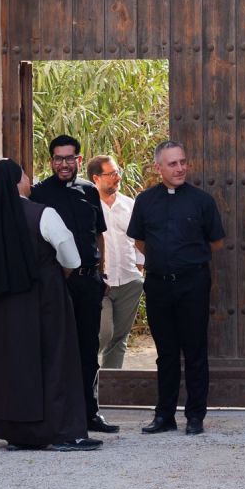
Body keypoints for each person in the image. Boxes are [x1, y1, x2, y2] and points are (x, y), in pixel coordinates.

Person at [0, 159, 102, 451]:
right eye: (24, 174)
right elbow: (72, 258)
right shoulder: (43, 214)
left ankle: (18, 434)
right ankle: (63, 433)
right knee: (56, 359)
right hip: (44, 299)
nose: (29, 179)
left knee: (13, 363)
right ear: (16, 182)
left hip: (1, 307)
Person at [127, 140, 225, 435]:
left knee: (195, 351)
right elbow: (139, 241)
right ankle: (164, 416)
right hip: (158, 286)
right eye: (173, 163)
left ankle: (195, 416)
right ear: (159, 168)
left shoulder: (202, 201)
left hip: (193, 284)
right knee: (165, 352)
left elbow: (216, 241)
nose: (180, 168)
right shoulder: (145, 201)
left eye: (183, 161)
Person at [29, 135, 119, 434]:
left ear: (79, 160)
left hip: (88, 282)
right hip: (56, 284)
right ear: (51, 160)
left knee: (88, 347)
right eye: (58, 158)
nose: (64, 164)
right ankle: (56, 414)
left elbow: (99, 236)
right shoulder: (38, 193)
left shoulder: (90, 191)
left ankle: (90, 413)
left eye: (69, 158)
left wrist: (102, 275)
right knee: (54, 347)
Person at [87, 155, 146, 369]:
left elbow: (140, 239)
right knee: (104, 333)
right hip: (102, 283)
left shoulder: (130, 205)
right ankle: (86, 375)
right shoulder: (88, 207)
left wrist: (139, 268)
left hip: (130, 281)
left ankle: (109, 387)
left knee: (119, 339)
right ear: (96, 178)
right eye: (111, 174)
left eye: (117, 172)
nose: (118, 177)